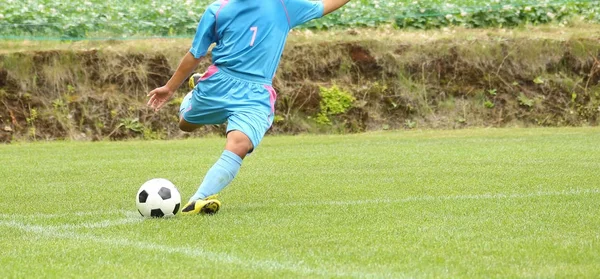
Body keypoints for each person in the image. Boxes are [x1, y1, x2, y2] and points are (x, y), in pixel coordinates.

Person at [147, 0, 352, 215]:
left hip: (256, 94)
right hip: (219, 84)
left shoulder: (282, 6)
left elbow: (323, 6)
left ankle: (198, 200)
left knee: (240, 144)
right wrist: (170, 88)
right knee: (185, 125)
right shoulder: (217, 11)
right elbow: (195, 53)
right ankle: (195, 90)